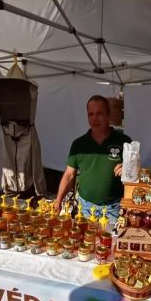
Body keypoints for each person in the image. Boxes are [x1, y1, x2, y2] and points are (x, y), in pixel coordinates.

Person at [54, 95, 131, 223]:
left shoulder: (124, 142)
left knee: (109, 236)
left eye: (99, 113)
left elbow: (136, 174)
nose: (95, 118)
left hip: (114, 208)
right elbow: (69, 175)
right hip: (85, 208)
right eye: (91, 114)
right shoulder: (79, 144)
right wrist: (58, 200)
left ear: (108, 115)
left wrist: (129, 169)